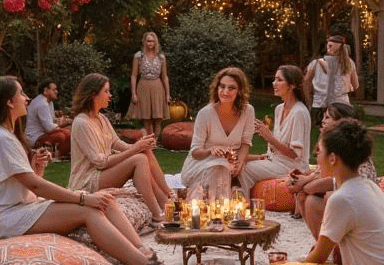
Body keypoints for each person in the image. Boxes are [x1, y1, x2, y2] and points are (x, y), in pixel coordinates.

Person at [0, 76, 188, 265]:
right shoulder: (0, 139)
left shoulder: (6, 136)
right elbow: (36, 186)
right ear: (8, 102)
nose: (26, 98)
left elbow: (27, 184)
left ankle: (146, 255)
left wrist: (37, 168)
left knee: (106, 201)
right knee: (90, 211)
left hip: (24, 207)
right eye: (21, 94)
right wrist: (83, 197)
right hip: (8, 218)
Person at [304, 119, 384, 265]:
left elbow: (318, 258)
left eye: (319, 151)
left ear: (333, 158)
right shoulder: (370, 186)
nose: (316, 157)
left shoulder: (342, 199)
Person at [68, 73, 173, 225]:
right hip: (87, 181)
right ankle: (157, 215)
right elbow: (100, 163)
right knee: (139, 158)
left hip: (101, 174)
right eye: (106, 91)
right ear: (92, 94)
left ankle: (167, 198)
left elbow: (116, 142)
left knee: (144, 152)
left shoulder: (101, 118)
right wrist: (135, 149)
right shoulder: (81, 123)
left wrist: (141, 146)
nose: (110, 95)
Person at [288, 102, 378, 240]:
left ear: (341, 122)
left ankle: (328, 247)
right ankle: (321, 243)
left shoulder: (348, 151)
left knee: (321, 197)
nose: (323, 121)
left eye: (328, 117)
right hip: (346, 198)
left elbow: (328, 181)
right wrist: (302, 181)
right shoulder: (329, 145)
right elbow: (319, 173)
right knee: (304, 196)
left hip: (359, 206)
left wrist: (304, 184)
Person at [180, 67, 255, 200]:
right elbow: (195, 152)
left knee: (224, 169)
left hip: (229, 162)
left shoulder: (248, 111)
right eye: (222, 86)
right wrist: (210, 150)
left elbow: (245, 142)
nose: (225, 92)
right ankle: (218, 207)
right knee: (219, 169)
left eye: (231, 88)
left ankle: (212, 204)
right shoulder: (205, 114)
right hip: (201, 163)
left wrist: (240, 162)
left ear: (240, 91)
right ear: (217, 88)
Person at [239, 65, 311, 198]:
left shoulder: (299, 113)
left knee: (245, 170)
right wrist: (263, 133)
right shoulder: (279, 109)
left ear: (292, 85)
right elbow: (277, 145)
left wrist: (269, 137)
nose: (274, 83)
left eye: (279, 80)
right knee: (239, 163)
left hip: (291, 166)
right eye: (274, 79)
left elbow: (294, 154)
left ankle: (245, 206)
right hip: (275, 161)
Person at [125, 32, 170, 139]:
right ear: (144, 42)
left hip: (157, 86)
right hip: (143, 86)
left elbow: (165, 77)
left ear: (156, 42)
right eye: (148, 41)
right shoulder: (138, 56)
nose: (150, 43)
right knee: (146, 118)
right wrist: (133, 93)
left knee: (158, 118)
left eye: (153, 41)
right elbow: (134, 75)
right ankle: (148, 142)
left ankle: (155, 141)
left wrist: (168, 94)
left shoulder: (161, 57)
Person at [304, 35, 359, 121]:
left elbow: (306, 82)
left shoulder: (315, 64)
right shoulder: (349, 63)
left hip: (320, 104)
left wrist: (309, 100)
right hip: (342, 105)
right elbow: (355, 85)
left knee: (324, 131)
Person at [25, 78, 72, 158]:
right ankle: (58, 156)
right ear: (45, 91)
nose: (56, 92)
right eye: (54, 90)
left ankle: (60, 154)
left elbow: (51, 120)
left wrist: (60, 121)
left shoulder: (49, 102)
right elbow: (49, 128)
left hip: (44, 133)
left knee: (69, 130)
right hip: (36, 136)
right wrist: (62, 124)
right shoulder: (42, 103)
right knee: (66, 134)